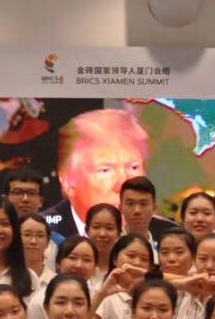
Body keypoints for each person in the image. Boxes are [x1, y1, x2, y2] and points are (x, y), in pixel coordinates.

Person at [49, 109, 149, 238]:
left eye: (133, 167)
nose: (123, 184)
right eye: (105, 170)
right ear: (68, 180)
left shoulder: (163, 234)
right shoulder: (43, 234)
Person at [25, 235, 98, 319]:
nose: (79, 265)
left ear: (95, 267)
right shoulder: (40, 300)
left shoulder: (99, 297)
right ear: (58, 263)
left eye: (87, 260)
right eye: (72, 258)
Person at [90, 234, 156, 319]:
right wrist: (101, 294)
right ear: (115, 259)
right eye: (131, 256)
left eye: (144, 259)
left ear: (150, 267)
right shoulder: (103, 294)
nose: (137, 263)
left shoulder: (154, 297)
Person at [83, 203, 123, 298]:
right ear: (87, 230)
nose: (102, 234)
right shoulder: (78, 267)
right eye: (96, 227)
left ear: (119, 233)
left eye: (109, 228)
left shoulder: (122, 271)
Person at [119, 176, 175, 244]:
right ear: (120, 208)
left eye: (143, 204)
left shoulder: (163, 247)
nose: (137, 210)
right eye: (130, 204)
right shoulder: (111, 244)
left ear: (154, 209)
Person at [19, 213, 56, 284]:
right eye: (27, 235)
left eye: (40, 236)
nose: (33, 241)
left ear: (48, 242)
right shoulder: (5, 279)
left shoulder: (55, 282)